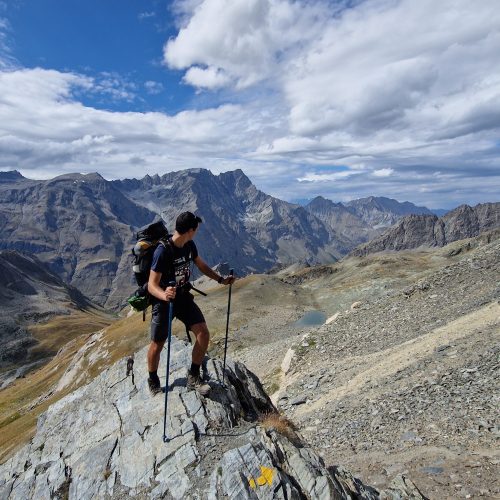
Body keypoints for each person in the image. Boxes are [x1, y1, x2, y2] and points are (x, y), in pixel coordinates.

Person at [146, 211, 235, 396]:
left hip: (183, 297)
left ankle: (193, 375)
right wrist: (164, 295)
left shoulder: (189, 245)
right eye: (196, 229)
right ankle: (153, 380)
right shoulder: (163, 250)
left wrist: (221, 280)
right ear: (190, 230)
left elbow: (201, 265)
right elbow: (152, 285)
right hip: (164, 302)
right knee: (158, 344)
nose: (196, 233)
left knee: (203, 333)